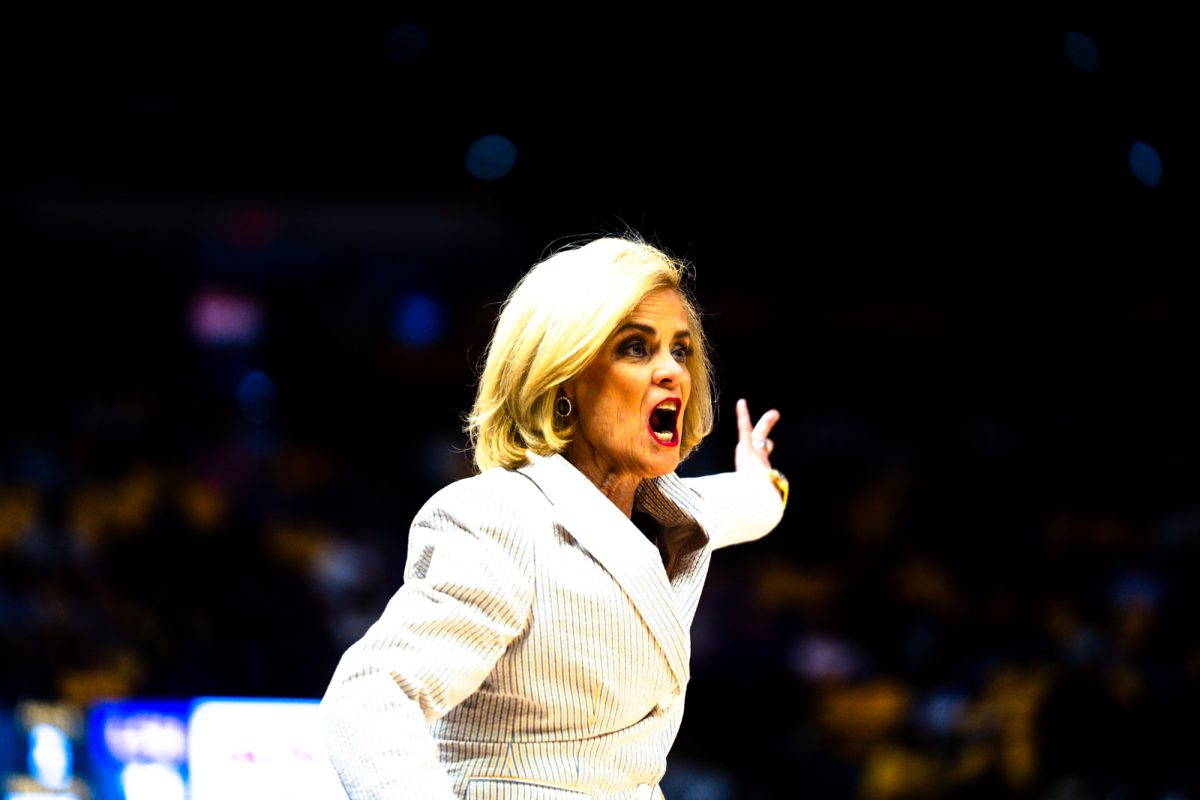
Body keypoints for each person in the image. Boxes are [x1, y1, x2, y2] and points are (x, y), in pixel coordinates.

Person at [321, 235, 789, 800]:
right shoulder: (500, 516)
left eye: (681, 350)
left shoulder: (673, 509)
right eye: (636, 348)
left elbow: (749, 505)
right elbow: (369, 699)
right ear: (564, 378)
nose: (672, 372)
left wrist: (762, 479)